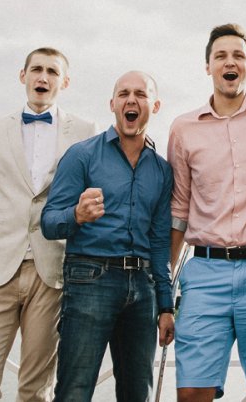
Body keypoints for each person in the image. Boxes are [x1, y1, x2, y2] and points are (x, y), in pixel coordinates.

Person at [0, 47, 95, 401]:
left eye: (52, 72)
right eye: (36, 70)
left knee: (36, 390)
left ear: (65, 82)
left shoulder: (85, 131)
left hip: (52, 272)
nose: (43, 77)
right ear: (23, 75)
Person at [167, 24, 246, 402]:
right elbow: (178, 209)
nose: (229, 62)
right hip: (204, 273)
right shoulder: (183, 129)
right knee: (191, 393)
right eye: (221, 56)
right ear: (208, 66)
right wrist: (164, 285)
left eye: (238, 56)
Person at [41, 71, 174, 402]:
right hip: (90, 279)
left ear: (155, 105)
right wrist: (76, 215)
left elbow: (160, 242)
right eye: (124, 94)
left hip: (143, 288)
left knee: (137, 395)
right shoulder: (81, 155)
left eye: (141, 94)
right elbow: (48, 222)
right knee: (74, 392)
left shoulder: (162, 170)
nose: (131, 100)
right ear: (112, 104)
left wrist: (166, 304)